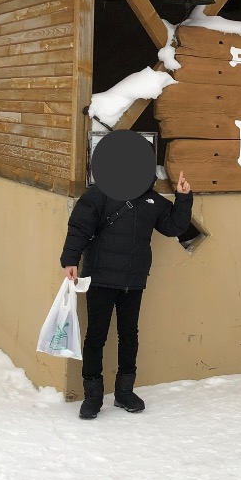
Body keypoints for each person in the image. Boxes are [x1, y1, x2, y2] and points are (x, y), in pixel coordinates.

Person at [59, 129, 193, 420]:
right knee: (96, 337)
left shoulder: (152, 201)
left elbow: (173, 227)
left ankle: (124, 392)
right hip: (101, 279)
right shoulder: (98, 195)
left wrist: (183, 198)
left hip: (133, 281)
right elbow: (79, 227)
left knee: (129, 336)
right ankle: (93, 396)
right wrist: (70, 260)